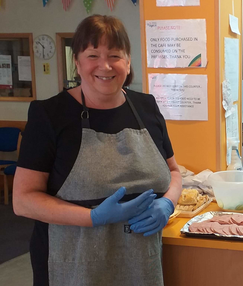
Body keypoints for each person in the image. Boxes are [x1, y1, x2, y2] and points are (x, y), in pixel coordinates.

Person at [13, 15, 182, 286]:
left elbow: (174, 171)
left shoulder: (146, 108)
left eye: (115, 55)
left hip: (140, 264)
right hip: (73, 264)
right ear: (77, 63)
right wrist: (92, 217)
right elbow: (23, 200)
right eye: (93, 55)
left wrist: (169, 202)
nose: (105, 65)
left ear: (127, 62)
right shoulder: (50, 115)